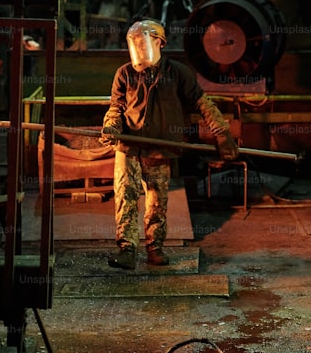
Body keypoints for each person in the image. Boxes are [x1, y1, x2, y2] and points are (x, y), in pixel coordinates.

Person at [100, 19, 239, 269]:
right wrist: (111, 126)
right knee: (126, 197)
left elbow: (202, 102)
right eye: (135, 43)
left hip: (159, 148)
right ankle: (127, 251)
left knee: (156, 200)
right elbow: (116, 107)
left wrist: (221, 132)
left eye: (143, 42)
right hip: (129, 147)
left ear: (159, 43)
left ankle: (155, 249)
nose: (139, 48)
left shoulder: (177, 73)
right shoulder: (125, 73)